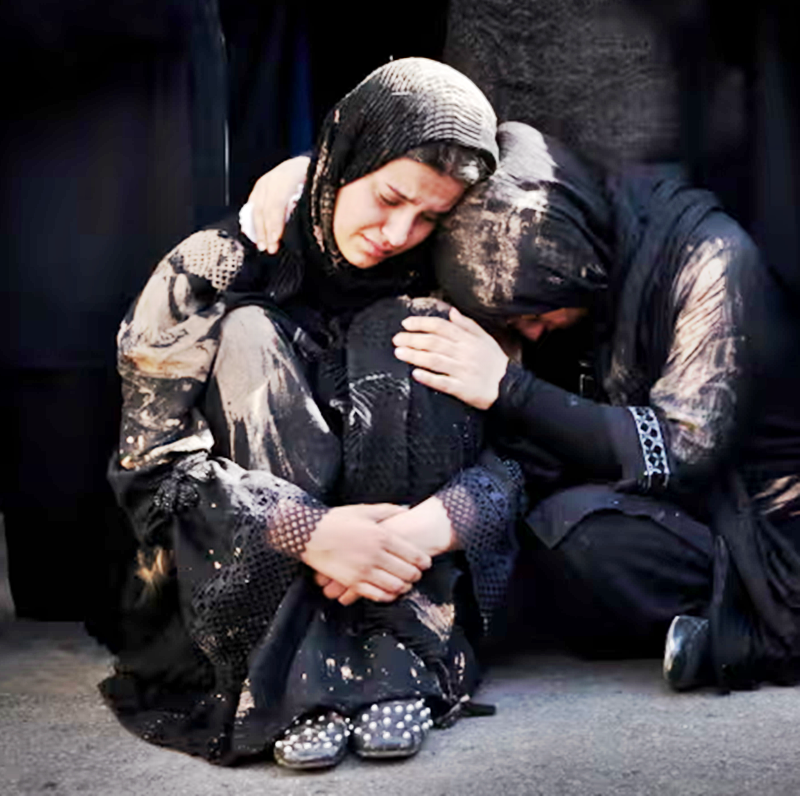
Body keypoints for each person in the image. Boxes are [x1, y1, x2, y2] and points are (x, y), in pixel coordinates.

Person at [101, 58, 524, 769]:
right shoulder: (213, 268)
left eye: (430, 216)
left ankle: (390, 654)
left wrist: (425, 529)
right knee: (246, 335)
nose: (399, 231)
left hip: (404, 572)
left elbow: (518, 458)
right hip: (251, 573)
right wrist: (309, 532)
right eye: (389, 196)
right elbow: (149, 469)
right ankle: (291, 672)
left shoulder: (447, 277)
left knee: (413, 329)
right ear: (343, 156)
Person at [390, 121, 800, 692]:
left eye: (537, 312)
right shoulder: (589, 253)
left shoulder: (711, 260)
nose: (533, 332)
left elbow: (681, 454)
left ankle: (747, 629)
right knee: (539, 526)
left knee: (582, 537)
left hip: (760, 526)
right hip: (667, 506)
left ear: (573, 259)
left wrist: (511, 389)